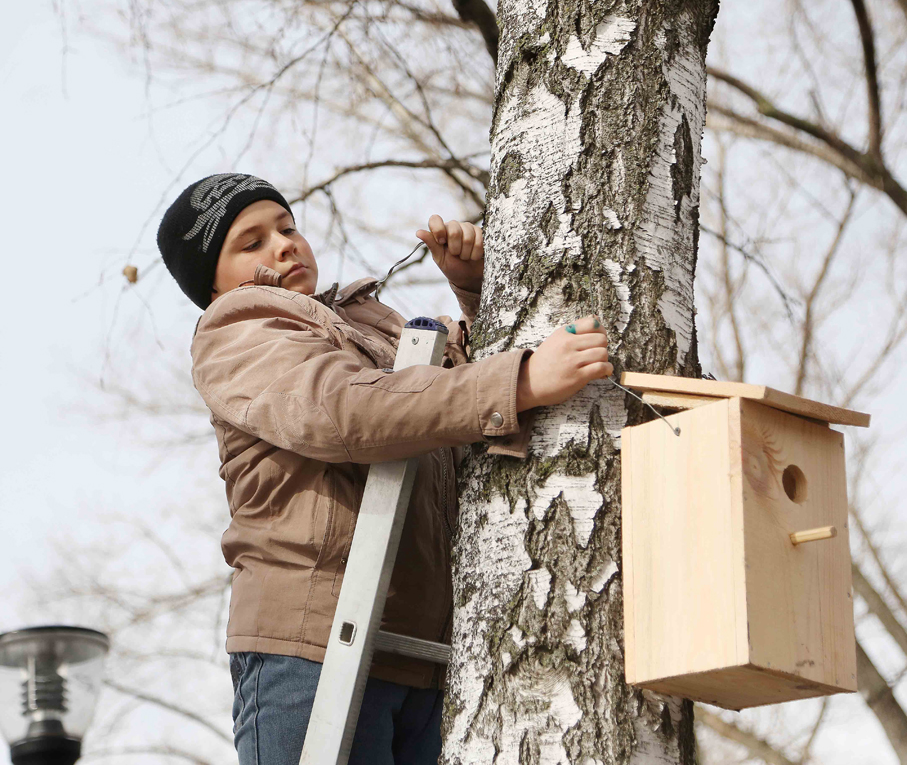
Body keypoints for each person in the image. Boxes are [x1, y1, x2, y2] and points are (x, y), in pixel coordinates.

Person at [157, 173, 612, 765]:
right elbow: (347, 410)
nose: (285, 244)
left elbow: (444, 404)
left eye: (288, 227)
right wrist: (520, 380)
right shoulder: (238, 332)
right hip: (312, 649)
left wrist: (479, 292)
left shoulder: (372, 324)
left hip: (423, 656)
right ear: (213, 284)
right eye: (251, 243)